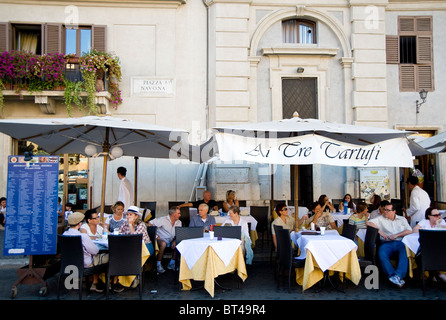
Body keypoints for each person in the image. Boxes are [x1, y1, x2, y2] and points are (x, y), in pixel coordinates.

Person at [367, 202, 412, 288]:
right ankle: (392, 276)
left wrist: (397, 235)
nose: (385, 212)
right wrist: (381, 233)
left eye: (388, 210)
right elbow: (369, 223)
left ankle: (398, 276)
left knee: (405, 252)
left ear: (394, 211)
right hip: (386, 242)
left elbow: (409, 230)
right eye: (384, 209)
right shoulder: (380, 218)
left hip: (400, 242)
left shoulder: (402, 219)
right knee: (382, 253)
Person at [63, 211, 109, 293]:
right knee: (110, 257)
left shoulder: (64, 234)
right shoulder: (83, 236)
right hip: (85, 263)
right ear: (80, 224)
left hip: (69, 263)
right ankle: (101, 283)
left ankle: (94, 281)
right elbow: (95, 251)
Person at [149, 206, 182, 274]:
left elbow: (179, 233)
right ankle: (158, 264)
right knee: (163, 243)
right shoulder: (163, 219)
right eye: (178, 213)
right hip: (161, 240)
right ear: (173, 214)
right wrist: (156, 236)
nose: (180, 215)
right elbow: (150, 223)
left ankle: (171, 263)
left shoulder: (179, 222)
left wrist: (175, 241)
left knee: (179, 242)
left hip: (171, 240)